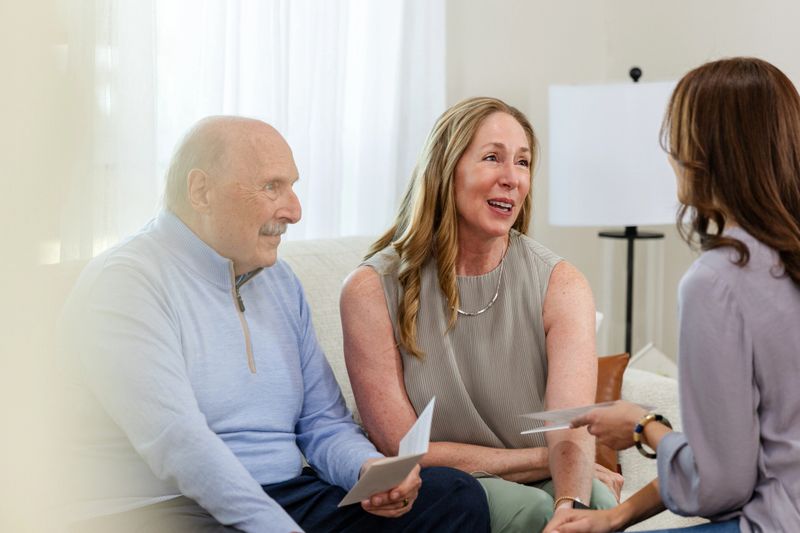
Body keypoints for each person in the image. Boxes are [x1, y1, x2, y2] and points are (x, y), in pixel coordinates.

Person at [58, 116, 491, 533]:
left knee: (453, 495)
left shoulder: (278, 281)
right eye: (271, 187)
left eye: (292, 187)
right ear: (201, 190)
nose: (294, 211)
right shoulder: (127, 282)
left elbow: (323, 421)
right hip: (165, 509)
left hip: (281, 495)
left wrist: (368, 470)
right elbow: (181, 444)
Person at [543, 57, 800, 533]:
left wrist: (644, 427)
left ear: (704, 153)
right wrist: (616, 516)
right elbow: (742, 451)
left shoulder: (718, 281)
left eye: (677, 140)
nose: (670, 156)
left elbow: (723, 482)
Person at [340, 97, 620, 533]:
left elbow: (571, 429)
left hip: (542, 474)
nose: (512, 178)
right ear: (446, 170)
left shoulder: (562, 285)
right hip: (448, 486)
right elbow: (400, 448)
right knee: (527, 511)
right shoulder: (371, 289)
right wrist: (542, 458)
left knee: (595, 502)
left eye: (523, 163)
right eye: (493, 158)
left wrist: (570, 502)